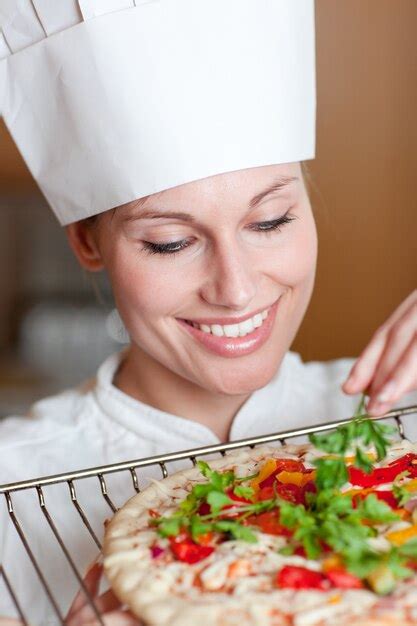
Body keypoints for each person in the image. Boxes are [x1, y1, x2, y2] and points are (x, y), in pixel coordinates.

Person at [0, 1, 416, 625]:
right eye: (171, 242)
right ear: (88, 242)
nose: (237, 289)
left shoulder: (403, 411)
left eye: (270, 221)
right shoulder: (16, 486)